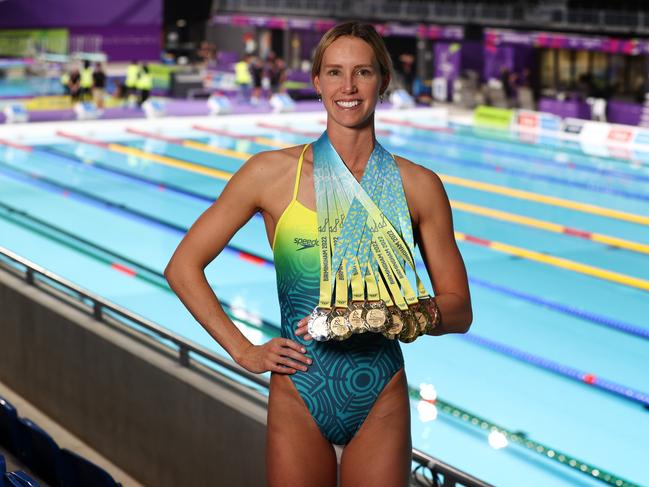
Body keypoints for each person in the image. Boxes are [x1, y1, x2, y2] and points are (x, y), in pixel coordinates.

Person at [164, 21, 472, 487]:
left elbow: (460, 309)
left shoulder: (419, 186)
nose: (347, 87)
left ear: (382, 82)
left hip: (380, 392)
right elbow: (182, 267)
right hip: (299, 391)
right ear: (316, 82)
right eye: (334, 73)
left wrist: (382, 318)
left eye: (362, 72)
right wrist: (243, 350)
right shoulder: (269, 173)